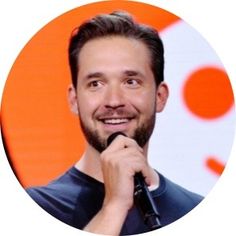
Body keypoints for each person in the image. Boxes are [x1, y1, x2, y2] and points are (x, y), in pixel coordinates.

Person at [26, 11, 203, 235]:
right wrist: (115, 206)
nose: (114, 101)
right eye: (96, 84)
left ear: (160, 96)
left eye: (131, 82)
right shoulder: (36, 207)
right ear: (74, 100)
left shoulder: (195, 210)